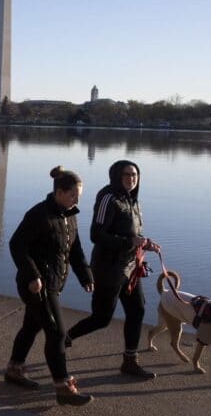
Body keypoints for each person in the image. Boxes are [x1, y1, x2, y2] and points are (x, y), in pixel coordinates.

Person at [5, 166, 95, 406]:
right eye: (73, 195)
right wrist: (33, 275)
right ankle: (63, 386)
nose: (76, 200)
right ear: (59, 192)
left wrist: (85, 275)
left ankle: (14, 369)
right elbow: (16, 245)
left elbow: (74, 249)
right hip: (36, 285)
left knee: (32, 326)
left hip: (54, 282)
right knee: (56, 333)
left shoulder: (68, 215)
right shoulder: (39, 214)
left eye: (78, 196)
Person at [65, 160, 160, 379]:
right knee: (101, 318)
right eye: (127, 174)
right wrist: (131, 242)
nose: (132, 178)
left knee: (137, 310)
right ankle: (66, 336)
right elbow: (96, 235)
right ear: (116, 175)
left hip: (130, 268)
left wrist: (145, 243)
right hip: (108, 268)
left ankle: (130, 361)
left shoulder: (132, 199)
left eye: (135, 175)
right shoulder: (109, 198)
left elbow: (131, 234)